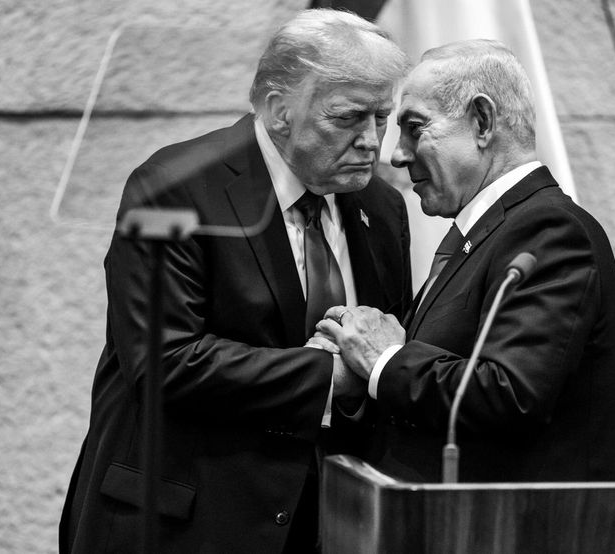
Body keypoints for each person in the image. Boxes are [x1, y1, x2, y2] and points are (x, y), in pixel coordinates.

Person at [59, 9, 411, 553]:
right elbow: (163, 363)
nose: (373, 141)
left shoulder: (382, 207)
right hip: (185, 522)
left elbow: (384, 348)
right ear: (278, 111)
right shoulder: (173, 187)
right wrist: (332, 374)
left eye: (382, 117)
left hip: (323, 524)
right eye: (348, 117)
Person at [317, 39, 615, 483]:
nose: (396, 155)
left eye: (415, 128)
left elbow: (510, 394)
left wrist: (384, 359)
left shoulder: (549, 231)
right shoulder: (488, 234)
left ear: (482, 122)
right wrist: (356, 374)